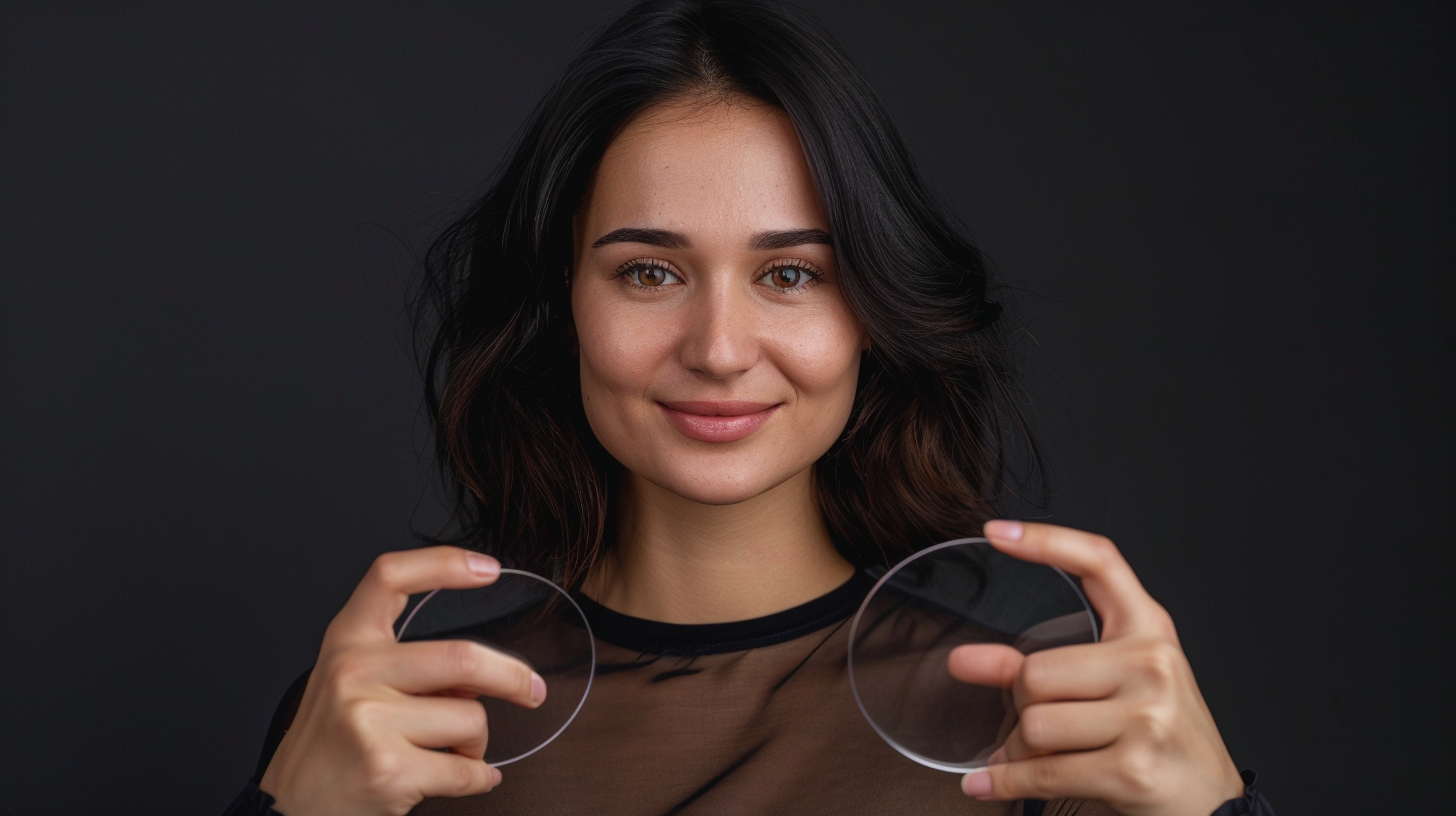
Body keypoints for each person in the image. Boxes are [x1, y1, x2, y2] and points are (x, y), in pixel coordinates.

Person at [226, 1, 1274, 814]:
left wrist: (1219, 804)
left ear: (872, 310)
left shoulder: (1049, 712)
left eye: (790, 276)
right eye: (647, 273)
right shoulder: (396, 711)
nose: (719, 350)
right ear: (563, 308)